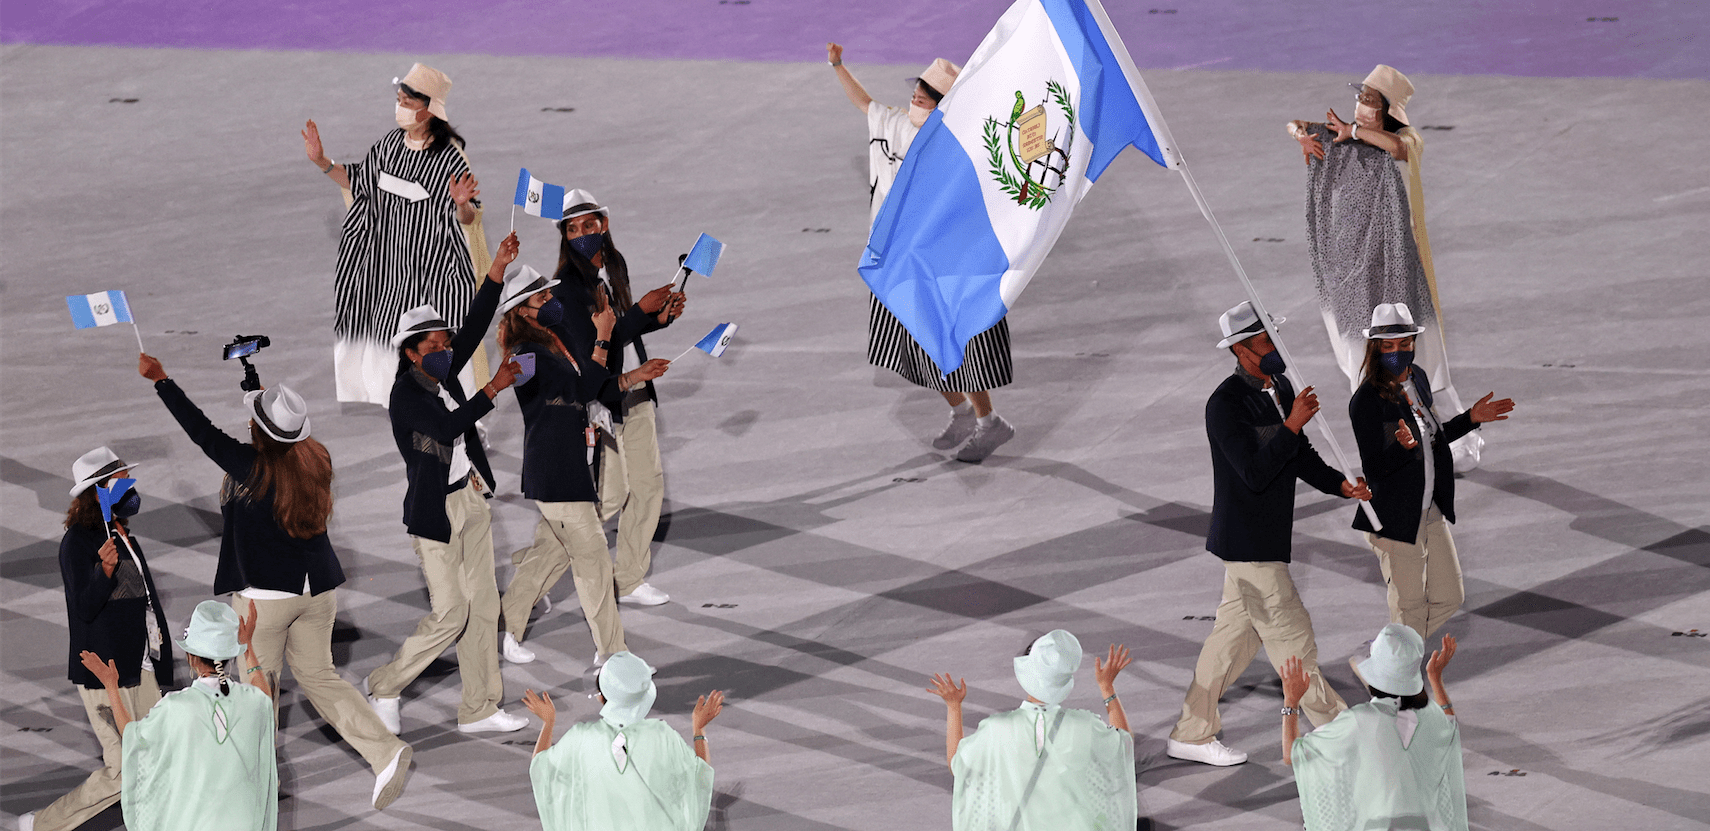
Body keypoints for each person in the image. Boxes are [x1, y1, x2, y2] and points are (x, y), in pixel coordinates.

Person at [137, 355, 413, 808]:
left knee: (254, 694)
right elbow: (276, 436)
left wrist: (163, 381)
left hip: (265, 603)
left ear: (259, 432)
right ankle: (385, 752)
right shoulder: (314, 458)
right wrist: (257, 396)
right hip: (318, 592)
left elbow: (202, 433)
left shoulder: (252, 466)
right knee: (322, 678)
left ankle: (255, 784)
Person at [1166, 302, 1372, 767]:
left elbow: (1298, 454)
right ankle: (1340, 730)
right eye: (1264, 342)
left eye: (1274, 338)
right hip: (1249, 545)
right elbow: (1255, 473)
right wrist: (1292, 422)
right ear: (1240, 350)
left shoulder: (1279, 386)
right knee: (1292, 638)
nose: (1274, 347)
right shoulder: (1224, 406)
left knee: (1231, 642)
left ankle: (1192, 732)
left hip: (1263, 542)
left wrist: (1341, 484)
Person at [365, 232, 529, 735]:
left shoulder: (444, 373)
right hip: (434, 518)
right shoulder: (405, 398)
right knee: (452, 612)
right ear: (412, 353)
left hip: (472, 501)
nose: (443, 347)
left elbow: (477, 324)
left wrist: (497, 269)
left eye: (444, 341)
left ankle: (479, 708)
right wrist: (493, 388)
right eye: (432, 344)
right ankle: (386, 685)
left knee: (483, 607)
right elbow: (445, 429)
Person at [1287, 64, 1483, 471]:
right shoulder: (1338, 134)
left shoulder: (1403, 139)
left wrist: (1353, 133)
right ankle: (1388, 449)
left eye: (1370, 101)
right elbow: (1293, 124)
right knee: (1364, 364)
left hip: (1394, 266)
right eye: (1360, 98)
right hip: (1351, 272)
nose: (1360, 106)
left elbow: (1400, 150)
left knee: (1422, 358)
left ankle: (1464, 439)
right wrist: (1302, 137)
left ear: (1387, 111)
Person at [827, 42, 1015, 463]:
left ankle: (990, 423)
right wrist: (838, 65)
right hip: (894, 259)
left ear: (944, 103)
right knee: (917, 345)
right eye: (918, 88)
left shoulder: (958, 146)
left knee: (953, 346)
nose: (917, 94)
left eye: (927, 92)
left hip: (939, 265)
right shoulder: (894, 123)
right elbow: (865, 102)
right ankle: (961, 411)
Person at [303, 62, 493, 405]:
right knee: (393, 356)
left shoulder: (449, 158)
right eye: (400, 98)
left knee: (440, 352)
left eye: (407, 101)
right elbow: (360, 182)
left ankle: (463, 424)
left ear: (429, 109)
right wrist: (322, 161)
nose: (400, 106)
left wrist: (461, 203)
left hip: (434, 277)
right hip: (389, 275)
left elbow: (469, 218)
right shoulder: (388, 145)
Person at [535, 190, 681, 630]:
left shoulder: (614, 267)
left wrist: (658, 319)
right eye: (572, 228)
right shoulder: (565, 288)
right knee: (605, 501)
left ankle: (630, 578)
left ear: (605, 224)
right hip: (606, 399)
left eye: (588, 224)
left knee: (648, 486)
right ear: (563, 235)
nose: (582, 233)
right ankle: (534, 579)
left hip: (636, 391)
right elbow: (593, 345)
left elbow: (622, 333)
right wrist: (641, 312)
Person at [21, 449, 174, 831]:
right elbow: (84, 608)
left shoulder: (122, 532)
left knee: (162, 755)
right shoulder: (77, 543)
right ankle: (43, 825)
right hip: (106, 670)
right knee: (124, 770)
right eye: (122, 480)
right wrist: (104, 570)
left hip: (140, 663)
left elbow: (147, 600)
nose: (130, 487)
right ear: (101, 491)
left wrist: (160, 653)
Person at [1349, 303, 1514, 639]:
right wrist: (1403, 447)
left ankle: (1380, 660)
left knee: (1450, 598)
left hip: (1429, 509)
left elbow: (1433, 437)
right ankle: (1392, 681)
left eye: (1405, 343)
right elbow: (1376, 469)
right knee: (1409, 611)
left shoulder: (1418, 379)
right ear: (1375, 347)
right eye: (1389, 345)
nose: (1398, 351)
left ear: (1413, 342)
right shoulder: (1367, 401)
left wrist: (1470, 418)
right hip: (1394, 518)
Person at [495, 265, 628, 667]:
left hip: (567, 467)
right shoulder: (525, 355)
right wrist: (603, 336)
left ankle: (505, 628)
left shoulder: (555, 339)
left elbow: (586, 383)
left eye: (550, 295)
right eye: (542, 299)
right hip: (557, 472)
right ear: (521, 312)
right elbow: (582, 386)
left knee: (547, 557)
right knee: (593, 562)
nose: (552, 302)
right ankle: (613, 657)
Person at [82, 600, 276, 831]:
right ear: (231, 655)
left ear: (191, 657)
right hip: (242, 821)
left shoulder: (176, 707)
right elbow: (262, 690)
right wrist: (248, 646)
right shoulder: (253, 702)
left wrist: (111, 686)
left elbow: (132, 736)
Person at [928, 630, 1137, 830]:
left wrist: (954, 706)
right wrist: (1107, 687)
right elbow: (1123, 743)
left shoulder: (996, 729)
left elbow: (957, 763)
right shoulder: (1085, 726)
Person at [1280, 625, 1466, 831]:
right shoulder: (1430, 716)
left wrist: (1291, 702)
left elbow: (1291, 754)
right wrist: (1435, 679)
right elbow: (1449, 725)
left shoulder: (1359, 721)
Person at [522, 652, 722, 830]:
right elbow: (700, 774)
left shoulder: (580, 737)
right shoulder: (663, 735)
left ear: (601, 696)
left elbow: (541, 767)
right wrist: (699, 728)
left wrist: (548, 723)